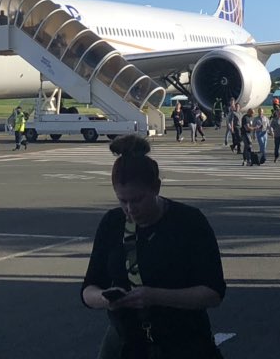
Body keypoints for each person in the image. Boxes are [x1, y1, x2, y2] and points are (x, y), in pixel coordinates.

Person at [82, 134, 226, 359]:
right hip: (126, 345)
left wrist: (155, 296)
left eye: (138, 200)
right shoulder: (112, 222)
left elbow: (213, 293)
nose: (130, 209)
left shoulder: (189, 221)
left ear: (156, 187)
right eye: (122, 201)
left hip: (184, 344)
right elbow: (88, 289)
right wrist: (105, 298)